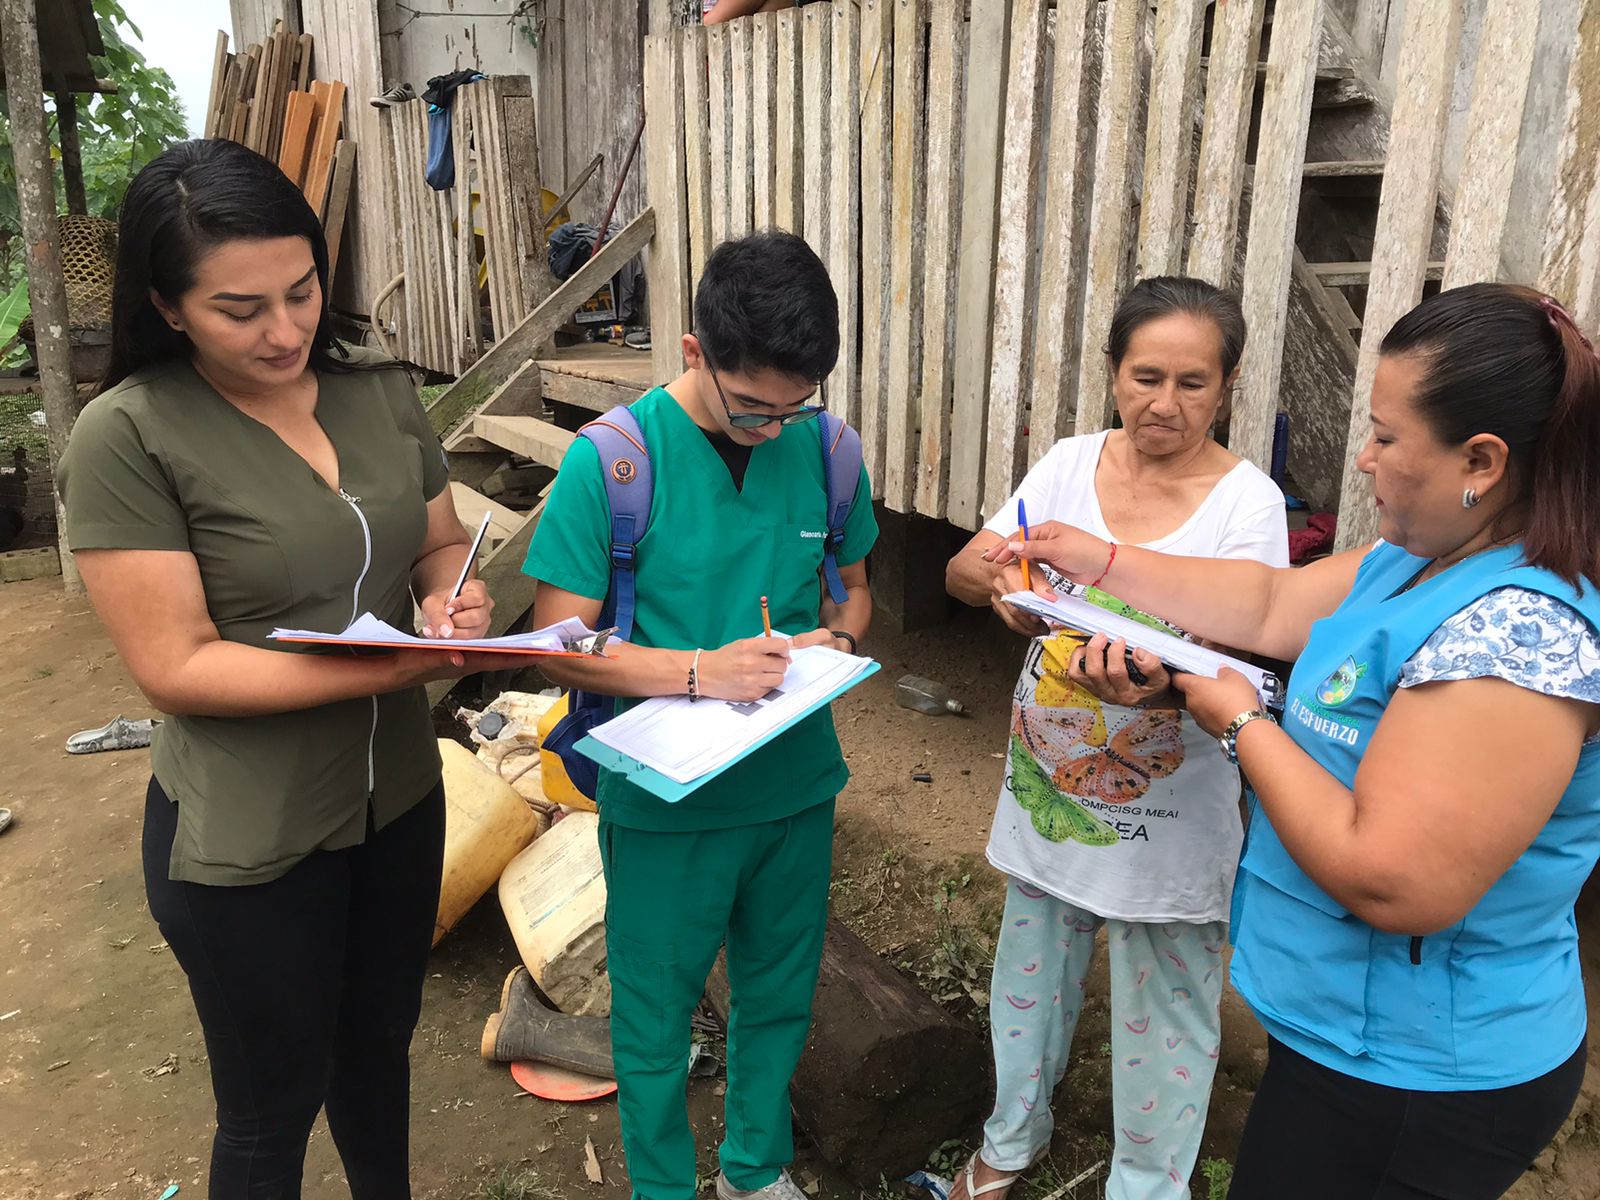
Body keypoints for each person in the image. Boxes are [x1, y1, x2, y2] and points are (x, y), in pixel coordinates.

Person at [994, 282, 1600, 1199]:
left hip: (1422, 1073)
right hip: (1349, 1032)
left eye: (1386, 437)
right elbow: (1270, 603)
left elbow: (1394, 878)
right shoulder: (1416, 559)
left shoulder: (1518, 636)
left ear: (1481, 459)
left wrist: (1242, 722)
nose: (1364, 458)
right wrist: (1100, 559)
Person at [57, 139, 502, 1199]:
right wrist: (391, 673)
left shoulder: (376, 390)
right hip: (250, 840)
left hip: (398, 801)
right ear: (167, 308)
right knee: (269, 1110)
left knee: (377, 1053)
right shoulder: (129, 437)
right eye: (240, 309)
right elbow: (175, 669)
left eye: (301, 291)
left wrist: (452, 598)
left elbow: (439, 541)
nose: (286, 330)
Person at [524, 230, 876, 1200]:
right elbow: (557, 643)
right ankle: (665, 1189)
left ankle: (753, 1170)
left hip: (794, 786)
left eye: (795, 406)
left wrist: (836, 640)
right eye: (752, 406)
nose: (773, 428)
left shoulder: (828, 452)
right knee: (652, 1018)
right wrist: (695, 672)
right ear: (693, 352)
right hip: (665, 803)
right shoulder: (615, 464)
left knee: (779, 994)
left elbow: (853, 594)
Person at [945, 277, 1288, 1200]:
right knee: (1030, 977)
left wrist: (1159, 686)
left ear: (1228, 388)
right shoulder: (1068, 465)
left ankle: (1147, 1184)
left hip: (1169, 811)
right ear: (1111, 372)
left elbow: (1246, 658)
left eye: (1191, 383)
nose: (1164, 403)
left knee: (1166, 1007)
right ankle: (1008, 1141)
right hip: (1052, 783)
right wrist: (1006, 591)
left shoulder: (1246, 504)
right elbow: (965, 569)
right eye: (1145, 377)